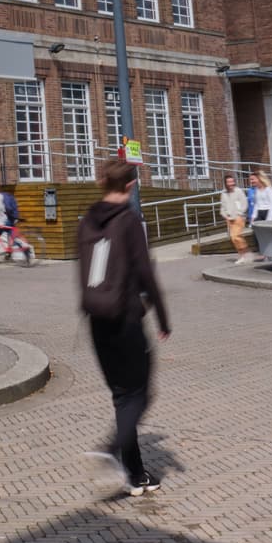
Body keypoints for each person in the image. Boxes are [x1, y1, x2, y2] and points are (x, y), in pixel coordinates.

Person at [77, 157, 171, 497]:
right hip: (126, 317)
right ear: (130, 186)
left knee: (122, 397)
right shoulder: (129, 221)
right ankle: (108, 450)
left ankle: (135, 475)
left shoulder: (87, 219)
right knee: (141, 394)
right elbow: (146, 273)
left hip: (96, 320)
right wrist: (163, 318)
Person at [221, 174, 251, 261]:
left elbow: (244, 204)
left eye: (232, 181)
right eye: (229, 182)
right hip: (229, 219)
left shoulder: (238, 191)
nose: (231, 183)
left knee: (236, 236)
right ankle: (243, 255)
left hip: (239, 217)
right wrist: (225, 215)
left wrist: (239, 213)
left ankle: (245, 254)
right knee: (233, 239)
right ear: (226, 183)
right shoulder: (224, 193)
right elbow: (223, 206)